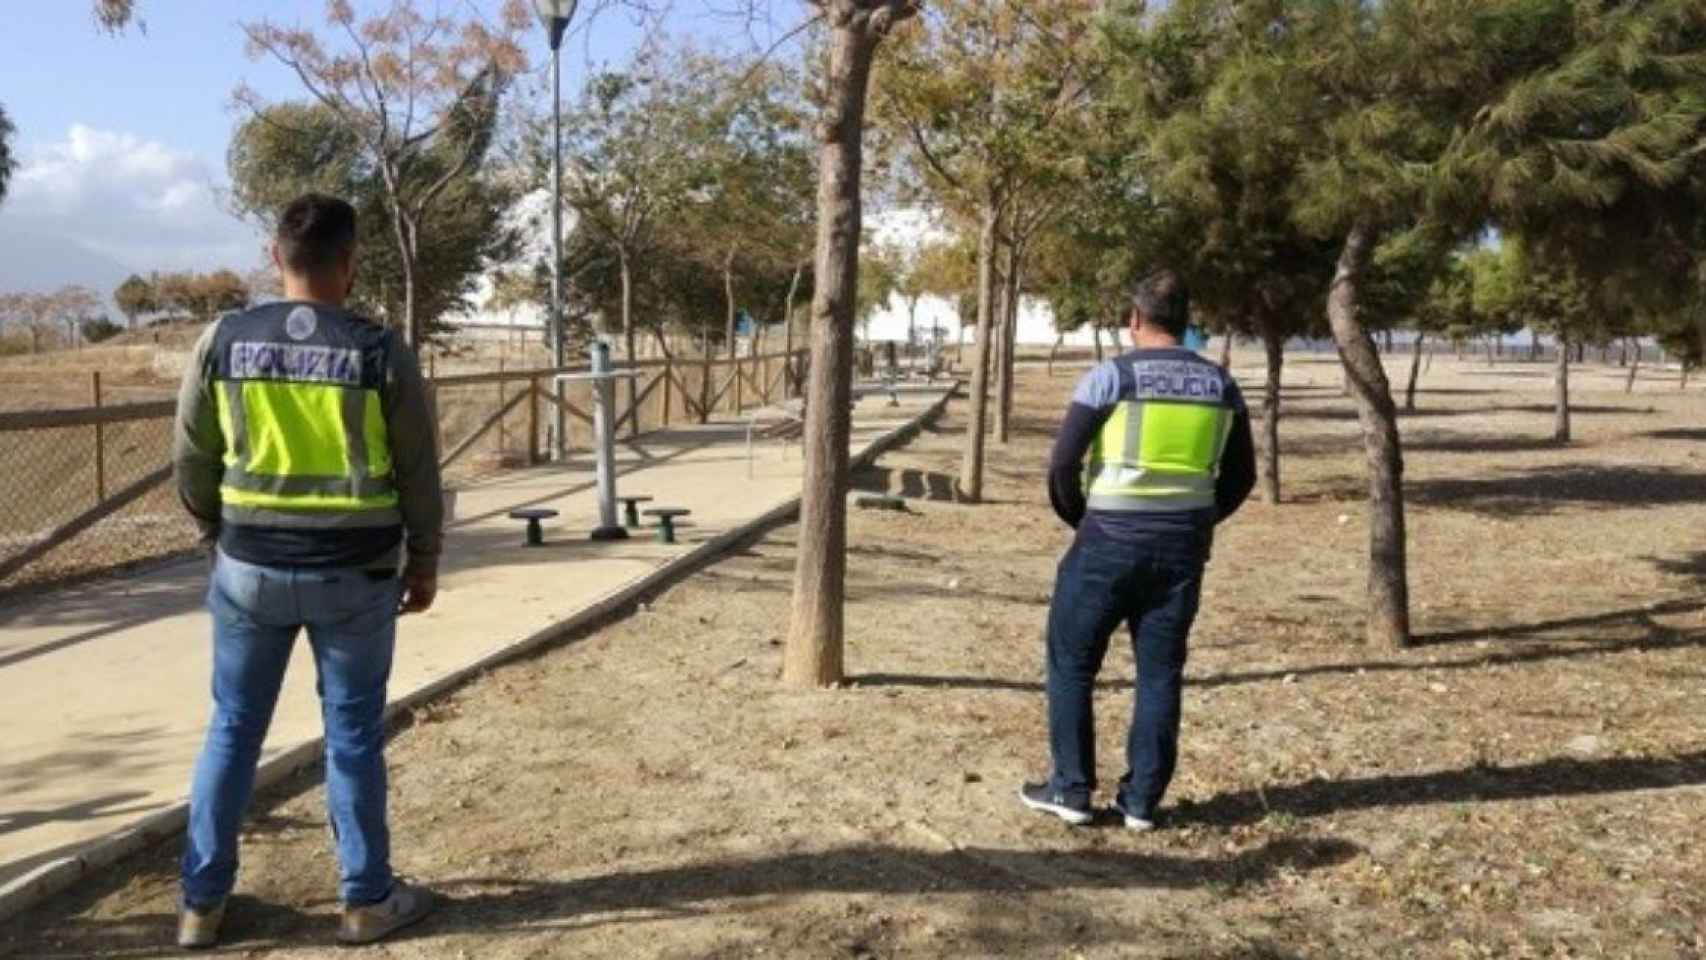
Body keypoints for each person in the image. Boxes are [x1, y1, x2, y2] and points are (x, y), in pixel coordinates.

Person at [171, 193, 443, 948]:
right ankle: (365, 901)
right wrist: (424, 557)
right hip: (355, 577)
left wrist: (213, 526)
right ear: (350, 262)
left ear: (273, 257)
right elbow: (419, 469)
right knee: (352, 734)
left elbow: (191, 453)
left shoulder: (223, 339)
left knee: (232, 728)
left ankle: (201, 905)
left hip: (247, 570)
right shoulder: (380, 350)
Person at [1020, 269, 1256, 830]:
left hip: (1106, 541)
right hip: (1181, 551)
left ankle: (1071, 789)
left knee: (1072, 663)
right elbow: (1242, 476)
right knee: (1159, 673)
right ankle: (1142, 802)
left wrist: (1083, 518)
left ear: (1134, 321)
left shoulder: (1109, 378)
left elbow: (1061, 465)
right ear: (1186, 323)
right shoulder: (1222, 385)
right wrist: (1195, 521)